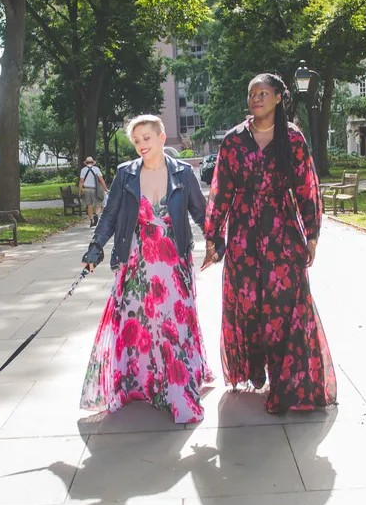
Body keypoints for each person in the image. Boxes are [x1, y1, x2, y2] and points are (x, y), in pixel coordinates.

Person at [202, 73, 337, 415]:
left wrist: (312, 234)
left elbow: (307, 187)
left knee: (284, 303)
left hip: (282, 231)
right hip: (244, 233)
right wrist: (213, 236)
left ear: (278, 97)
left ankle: (286, 380)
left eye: (263, 93)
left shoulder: (292, 138)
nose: (256, 99)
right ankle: (255, 366)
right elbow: (220, 191)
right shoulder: (233, 141)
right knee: (247, 303)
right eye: (252, 94)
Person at [81, 115, 213, 424]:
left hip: (173, 260)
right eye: (136, 140)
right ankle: (142, 382)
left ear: (161, 137)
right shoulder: (125, 174)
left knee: (173, 324)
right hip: (136, 262)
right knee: (138, 322)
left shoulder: (183, 173)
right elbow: (110, 215)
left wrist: (214, 241)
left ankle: (177, 388)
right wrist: (96, 247)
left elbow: (199, 211)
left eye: (146, 138)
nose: (141, 144)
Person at [79, 156, 108, 227]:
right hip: (96, 189)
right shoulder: (96, 169)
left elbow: (81, 181)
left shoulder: (83, 170)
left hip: (86, 189)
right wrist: (105, 189)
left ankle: (91, 220)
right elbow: (101, 180)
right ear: (93, 163)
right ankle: (97, 215)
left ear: (86, 163)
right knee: (99, 204)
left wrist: (79, 191)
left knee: (89, 205)